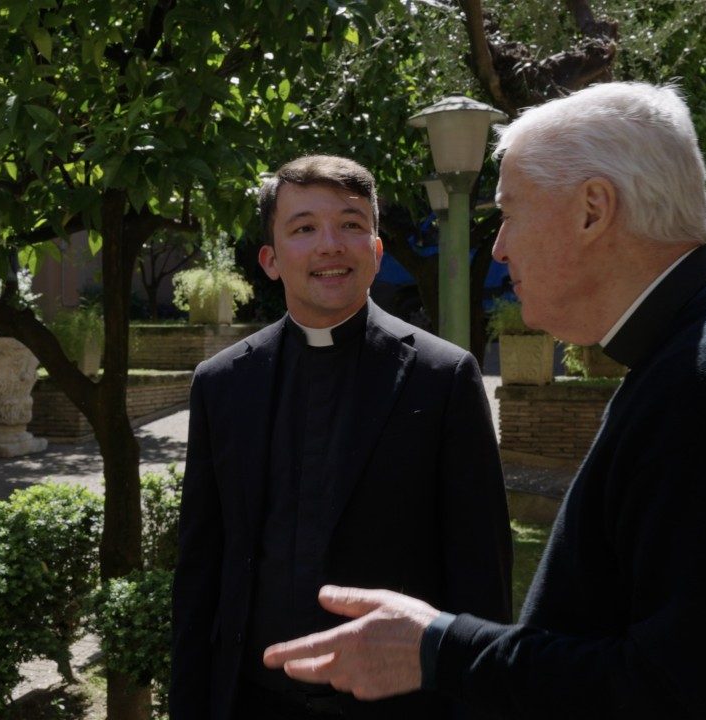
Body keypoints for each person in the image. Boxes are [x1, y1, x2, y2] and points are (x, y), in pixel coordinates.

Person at [263, 83, 706, 718]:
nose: (501, 246)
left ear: (593, 209)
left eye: (510, 212)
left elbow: (684, 691)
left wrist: (439, 648)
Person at [171, 154, 513, 720]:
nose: (330, 245)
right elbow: (200, 574)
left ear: (376, 251)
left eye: (351, 224)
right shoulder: (221, 383)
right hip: (252, 703)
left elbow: (481, 580)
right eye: (304, 228)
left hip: (397, 710)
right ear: (270, 259)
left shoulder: (443, 377)